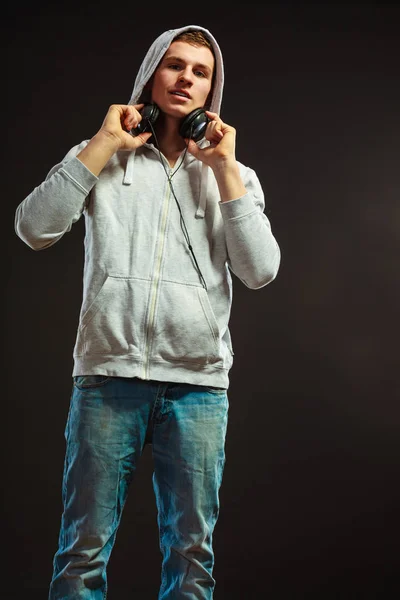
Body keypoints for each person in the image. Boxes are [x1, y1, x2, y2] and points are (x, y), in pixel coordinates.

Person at [15, 24, 281, 600]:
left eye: (200, 71)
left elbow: (260, 270)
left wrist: (225, 171)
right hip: (108, 379)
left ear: (212, 92)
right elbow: (34, 228)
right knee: (82, 552)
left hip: (198, 389)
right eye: (174, 65)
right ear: (150, 75)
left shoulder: (234, 178)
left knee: (191, 559)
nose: (185, 78)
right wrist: (103, 145)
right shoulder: (102, 158)